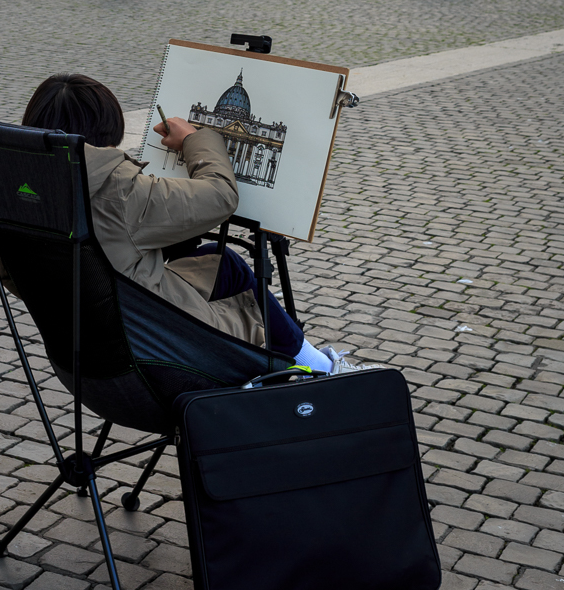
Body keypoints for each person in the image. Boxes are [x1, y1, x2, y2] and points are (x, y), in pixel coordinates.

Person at [19, 73, 372, 372]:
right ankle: (320, 369)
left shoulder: (12, 186)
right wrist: (196, 139)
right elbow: (221, 196)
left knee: (221, 261)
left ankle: (315, 362)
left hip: (77, 346)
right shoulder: (118, 192)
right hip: (151, 348)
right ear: (108, 130)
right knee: (244, 297)